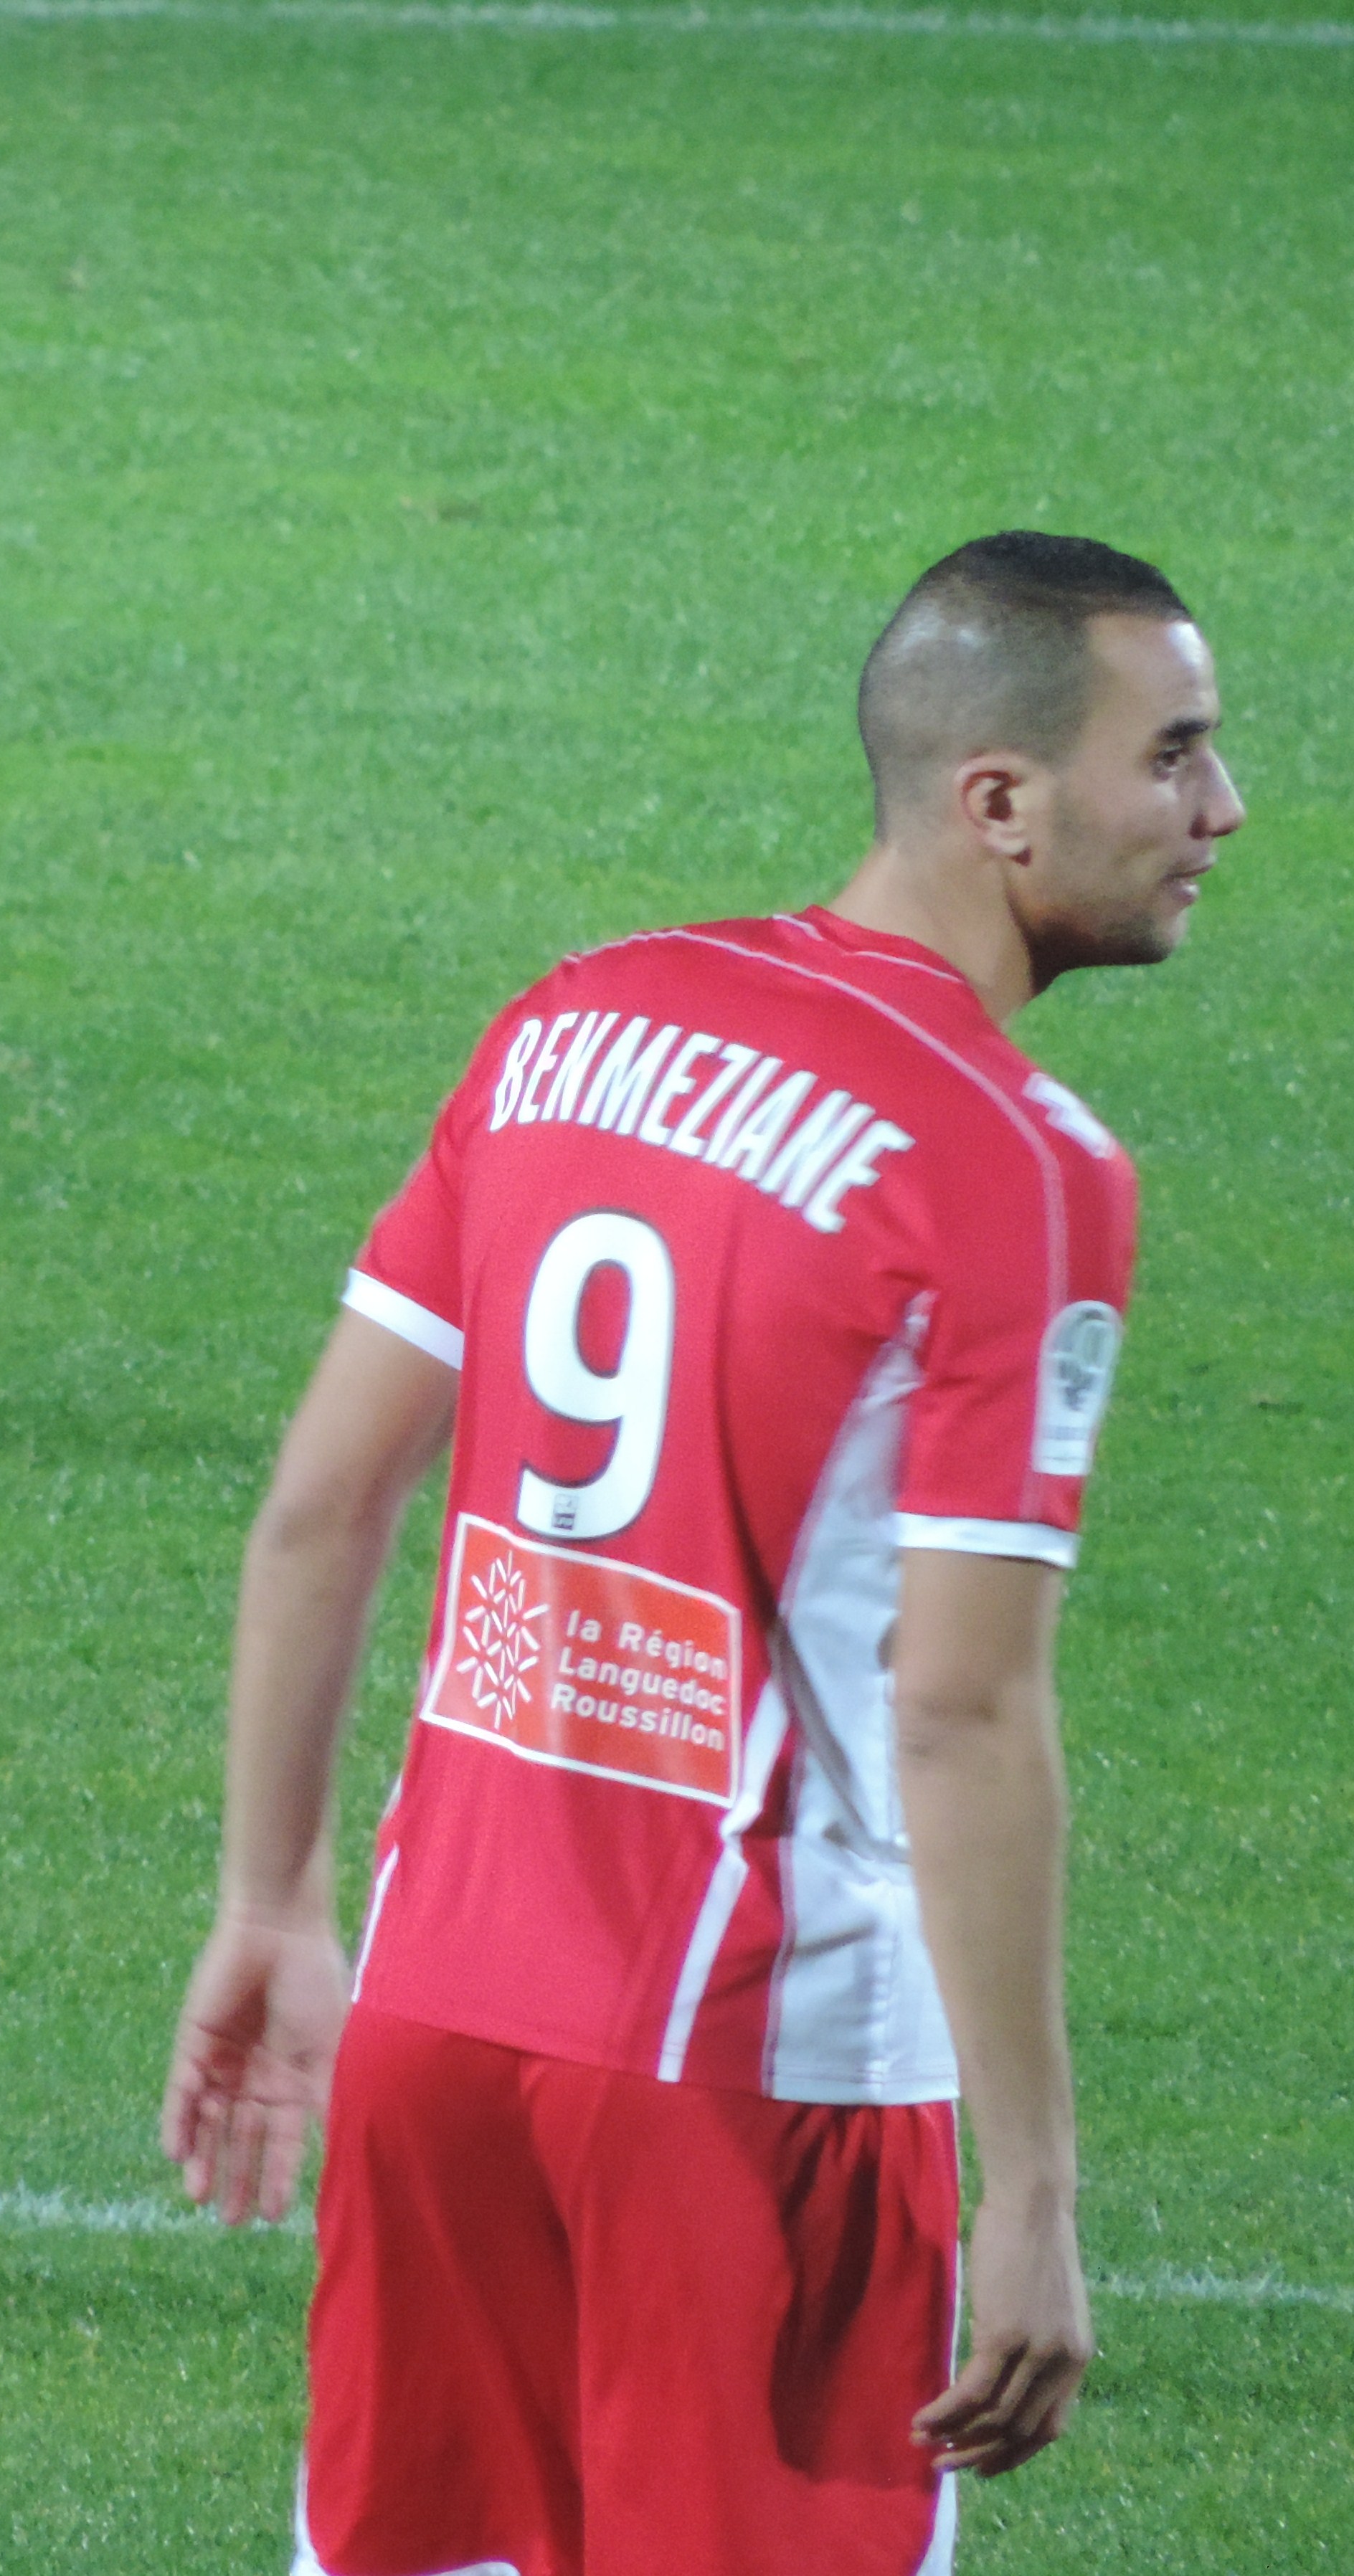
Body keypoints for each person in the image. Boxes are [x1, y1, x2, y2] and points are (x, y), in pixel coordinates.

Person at [158, 532, 1240, 2575]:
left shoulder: (576, 1017)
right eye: (1173, 754)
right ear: (1001, 800)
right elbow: (963, 1701)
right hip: (761, 2072)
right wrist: (1033, 2185)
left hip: (434, 2027)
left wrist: (269, 1899)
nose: (1221, 810)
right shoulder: (1018, 1165)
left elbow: (322, 1497)